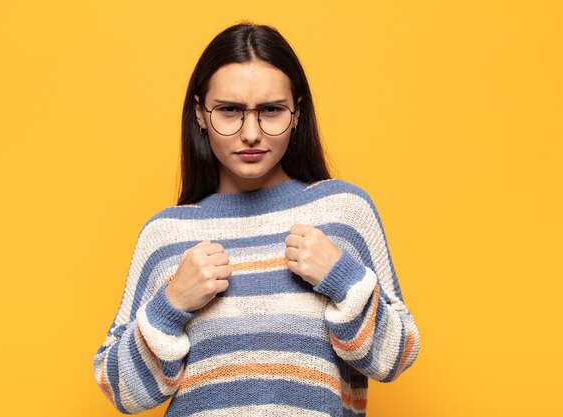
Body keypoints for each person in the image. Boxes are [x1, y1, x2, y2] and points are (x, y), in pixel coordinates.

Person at [93, 21, 419, 416]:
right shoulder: (166, 234)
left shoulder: (344, 212)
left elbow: (395, 358)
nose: (251, 133)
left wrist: (346, 279)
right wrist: (171, 303)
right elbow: (122, 391)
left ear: (297, 113)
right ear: (200, 114)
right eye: (229, 111)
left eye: (271, 110)